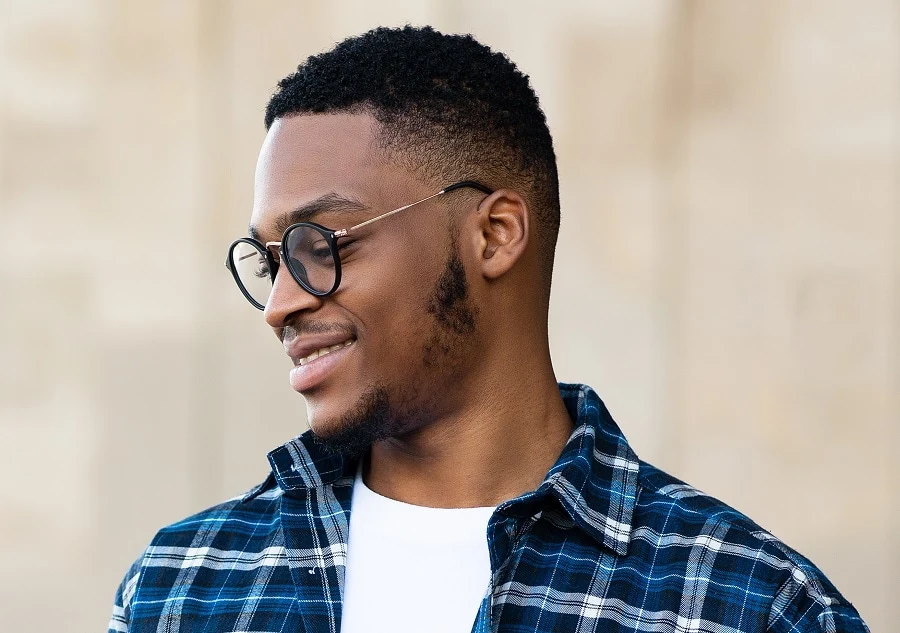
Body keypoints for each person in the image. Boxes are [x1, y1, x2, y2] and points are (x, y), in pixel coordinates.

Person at [109, 25, 868, 633]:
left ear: (496, 234)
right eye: (268, 259)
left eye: (320, 246)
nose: (279, 303)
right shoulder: (179, 588)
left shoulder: (749, 606)